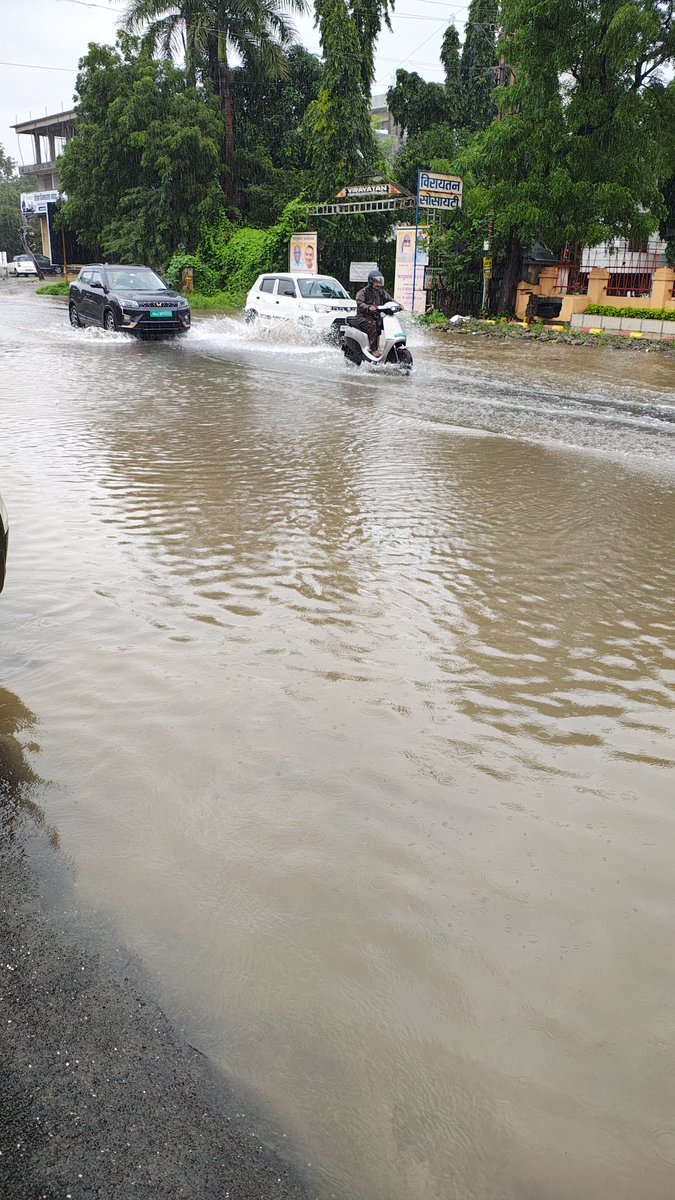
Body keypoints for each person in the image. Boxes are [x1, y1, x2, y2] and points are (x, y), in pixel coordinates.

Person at [355, 269, 394, 357]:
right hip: (363, 317)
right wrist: (368, 307)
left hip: (376, 316)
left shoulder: (381, 292)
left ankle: (392, 346)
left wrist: (398, 305)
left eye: (380, 282)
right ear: (371, 281)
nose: (379, 284)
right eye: (376, 282)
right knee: (372, 325)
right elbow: (359, 302)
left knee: (388, 323)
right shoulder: (362, 292)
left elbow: (389, 299)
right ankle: (374, 349)